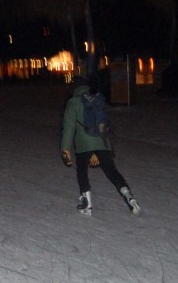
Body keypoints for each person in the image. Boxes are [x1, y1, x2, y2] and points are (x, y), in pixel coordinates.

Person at [60, 76, 141, 216]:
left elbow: (69, 127)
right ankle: (127, 194)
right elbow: (103, 125)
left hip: (84, 144)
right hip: (103, 142)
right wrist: (101, 150)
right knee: (111, 171)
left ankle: (87, 202)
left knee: (82, 172)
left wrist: (65, 149)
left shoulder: (73, 102)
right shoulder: (96, 100)